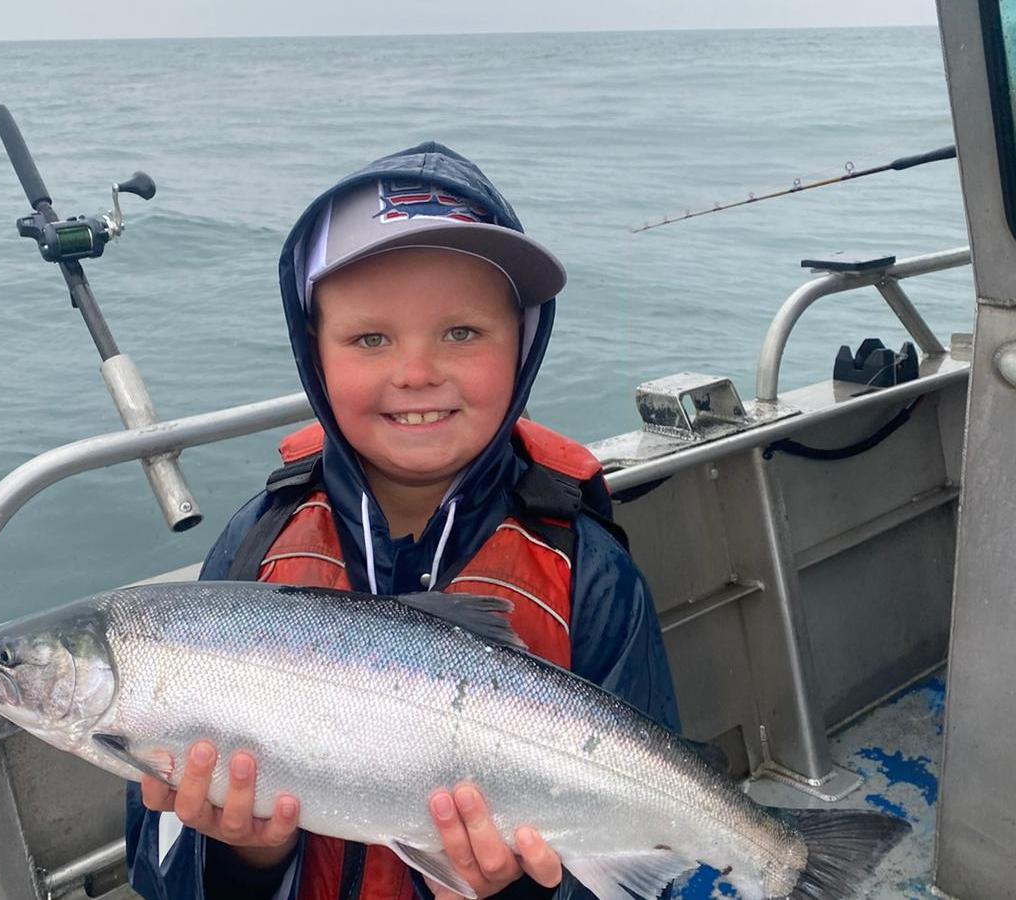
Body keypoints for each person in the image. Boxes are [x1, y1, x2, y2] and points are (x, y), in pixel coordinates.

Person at [125, 141, 679, 900]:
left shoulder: (590, 574)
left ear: (525, 341)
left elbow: (644, 837)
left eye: (461, 332)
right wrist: (247, 858)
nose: (416, 371)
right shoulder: (255, 546)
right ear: (312, 352)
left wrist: (514, 893)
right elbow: (159, 870)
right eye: (370, 338)